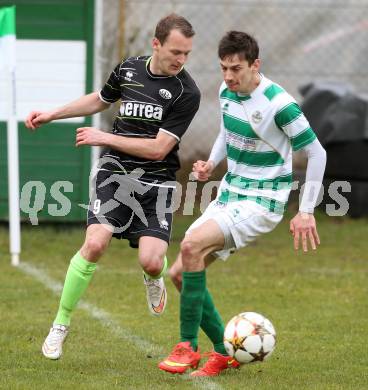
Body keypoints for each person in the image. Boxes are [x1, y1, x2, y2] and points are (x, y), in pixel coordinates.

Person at [25, 13, 200, 360]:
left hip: (157, 182)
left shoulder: (186, 91)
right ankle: (60, 325)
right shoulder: (129, 69)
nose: (181, 60)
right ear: (156, 44)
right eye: (175, 52)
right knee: (94, 243)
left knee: (151, 261)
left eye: (187, 54)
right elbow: (101, 99)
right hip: (115, 174)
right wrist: (52, 114)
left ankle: (155, 277)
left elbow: (158, 149)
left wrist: (104, 136)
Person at [159, 31, 327, 377]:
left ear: (255, 65)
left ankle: (187, 347)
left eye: (236, 68)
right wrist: (211, 161)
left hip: (262, 201)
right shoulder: (227, 91)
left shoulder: (280, 106)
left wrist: (306, 210)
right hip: (230, 194)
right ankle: (223, 353)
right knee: (179, 273)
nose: (229, 76)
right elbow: (227, 131)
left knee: (190, 245)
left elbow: (316, 152)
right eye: (223, 68)